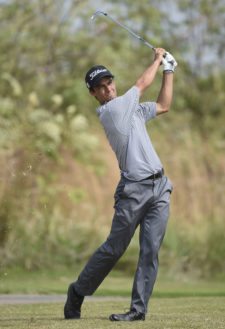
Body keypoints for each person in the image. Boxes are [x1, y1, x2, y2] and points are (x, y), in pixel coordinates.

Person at [64, 48, 177, 322]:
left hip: (160, 187)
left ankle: (138, 311)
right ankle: (78, 291)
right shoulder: (112, 112)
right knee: (114, 249)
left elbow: (163, 106)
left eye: (109, 83)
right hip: (133, 192)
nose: (108, 89)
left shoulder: (133, 110)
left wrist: (169, 70)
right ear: (93, 94)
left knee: (150, 251)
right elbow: (141, 84)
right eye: (100, 88)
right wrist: (156, 60)